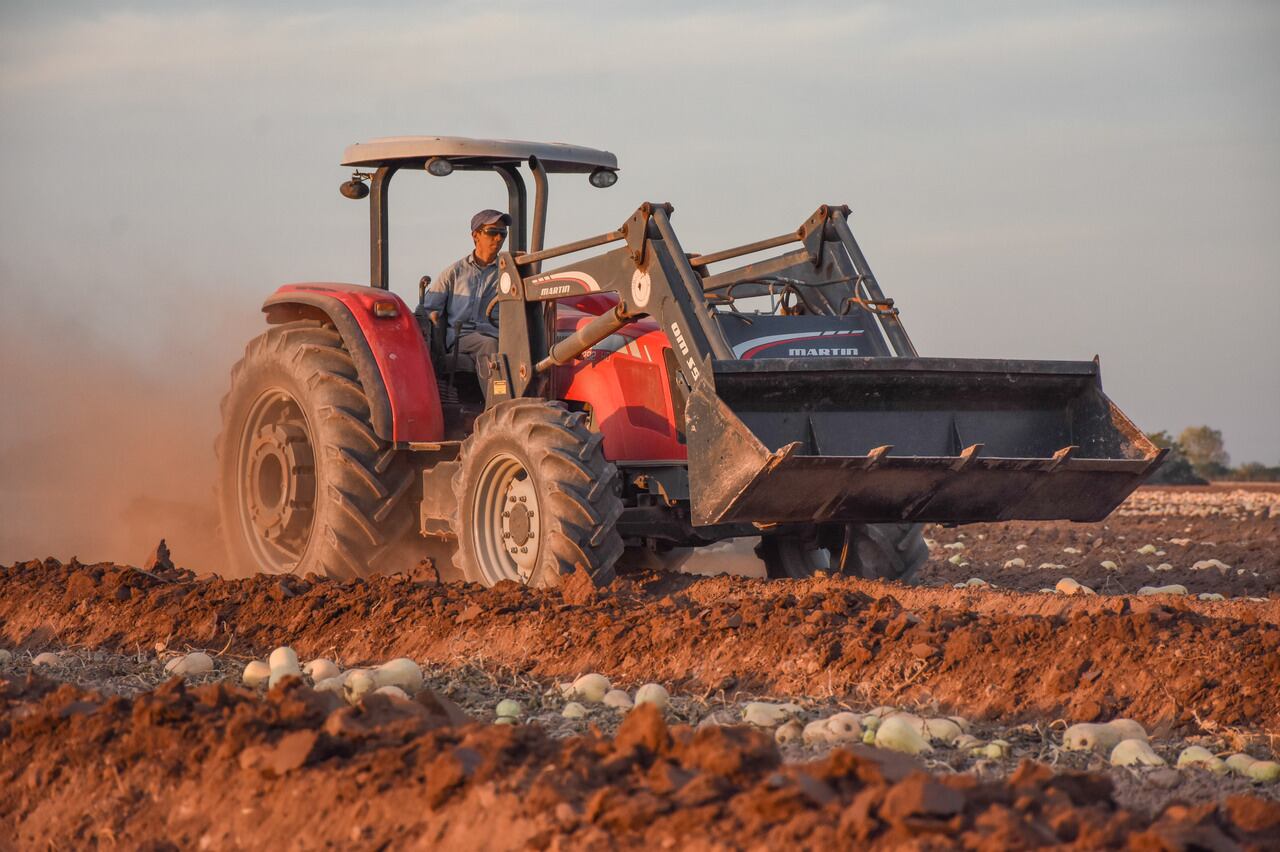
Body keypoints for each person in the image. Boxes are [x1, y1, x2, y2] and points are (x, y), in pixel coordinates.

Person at [422, 209, 511, 380]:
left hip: (499, 336)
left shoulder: (508, 272)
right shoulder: (454, 273)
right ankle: (498, 401)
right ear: (476, 235)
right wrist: (432, 318)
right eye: (493, 232)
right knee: (489, 345)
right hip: (461, 338)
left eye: (503, 234)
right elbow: (428, 310)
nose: (499, 238)